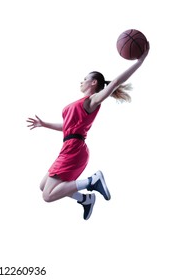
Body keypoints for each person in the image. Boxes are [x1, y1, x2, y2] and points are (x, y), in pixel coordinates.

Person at [26, 43, 150, 220]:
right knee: (43, 186)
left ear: (94, 82)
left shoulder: (91, 101)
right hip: (69, 147)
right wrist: (44, 124)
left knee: (48, 195)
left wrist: (141, 61)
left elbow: (115, 82)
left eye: (85, 78)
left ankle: (93, 181)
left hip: (75, 149)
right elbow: (67, 127)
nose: (81, 81)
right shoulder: (77, 104)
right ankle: (86, 199)